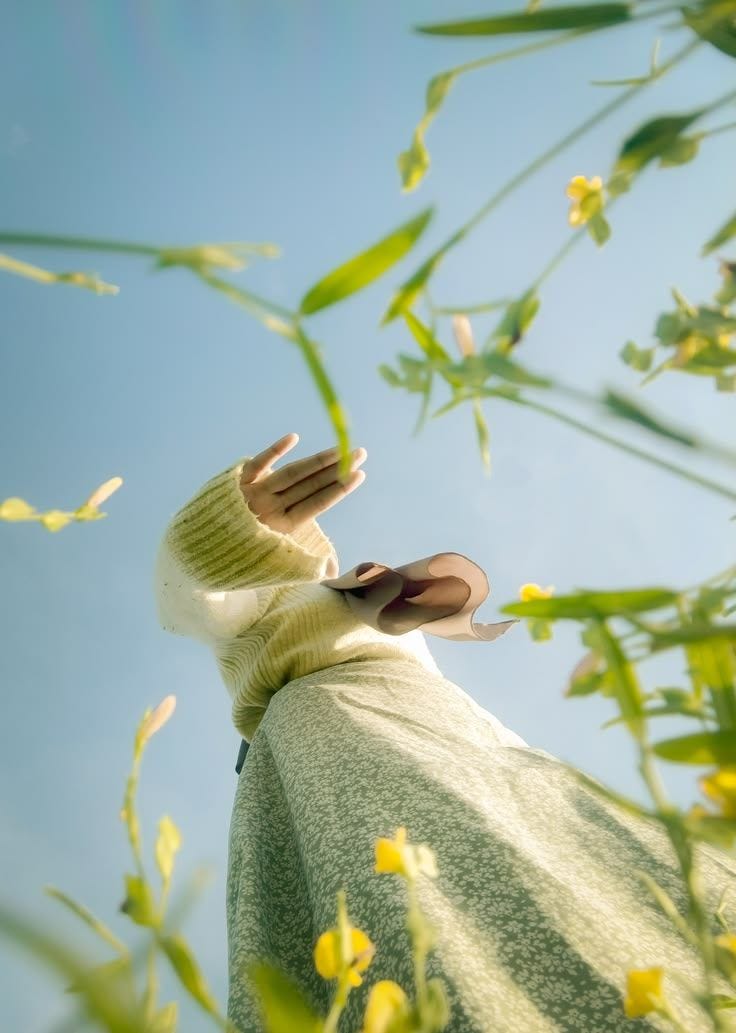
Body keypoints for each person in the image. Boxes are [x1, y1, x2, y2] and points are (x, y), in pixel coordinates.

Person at [154, 432, 736, 1033]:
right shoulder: (256, 614)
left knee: (600, 871)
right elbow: (187, 596)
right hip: (338, 730)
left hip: (473, 737)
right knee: (429, 900)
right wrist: (216, 534)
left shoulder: (385, 627)